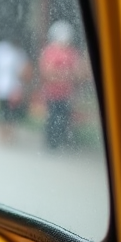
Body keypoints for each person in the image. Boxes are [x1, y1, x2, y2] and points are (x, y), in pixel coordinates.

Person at [39, 20, 79, 150]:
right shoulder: (50, 51)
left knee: (64, 118)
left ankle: (61, 140)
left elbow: (78, 72)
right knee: (53, 117)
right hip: (52, 92)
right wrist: (64, 75)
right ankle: (51, 142)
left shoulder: (71, 52)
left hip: (66, 93)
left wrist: (62, 75)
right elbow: (47, 72)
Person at [0, 36, 30, 143]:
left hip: (13, 89)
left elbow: (23, 71)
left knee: (11, 113)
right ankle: (2, 133)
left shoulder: (19, 52)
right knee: (2, 111)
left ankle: (9, 133)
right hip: (0, 87)